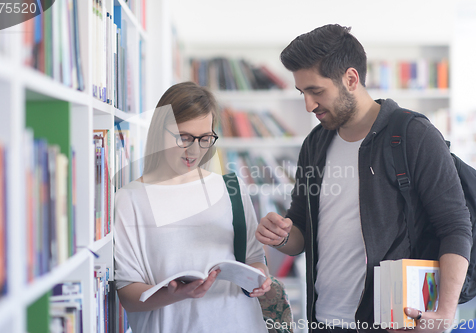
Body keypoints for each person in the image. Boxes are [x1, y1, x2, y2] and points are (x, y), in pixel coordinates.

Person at [255, 24, 472, 332]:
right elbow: (300, 230)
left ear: (351, 79)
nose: (308, 105)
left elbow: (455, 225)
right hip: (323, 322)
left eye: (316, 91)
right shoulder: (315, 144)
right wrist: (282, 235)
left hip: (394, 322)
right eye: (302, 92)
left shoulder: (413, 134)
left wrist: (445, 313)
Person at [114, 81, 271, 332]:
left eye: (205, 138)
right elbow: (128, 295)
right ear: (158, 131)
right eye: (183, 137)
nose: (194, 150)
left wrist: (260, 279)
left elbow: (254, 258)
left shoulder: (231, 188)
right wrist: (176, 294)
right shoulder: (129, 199)